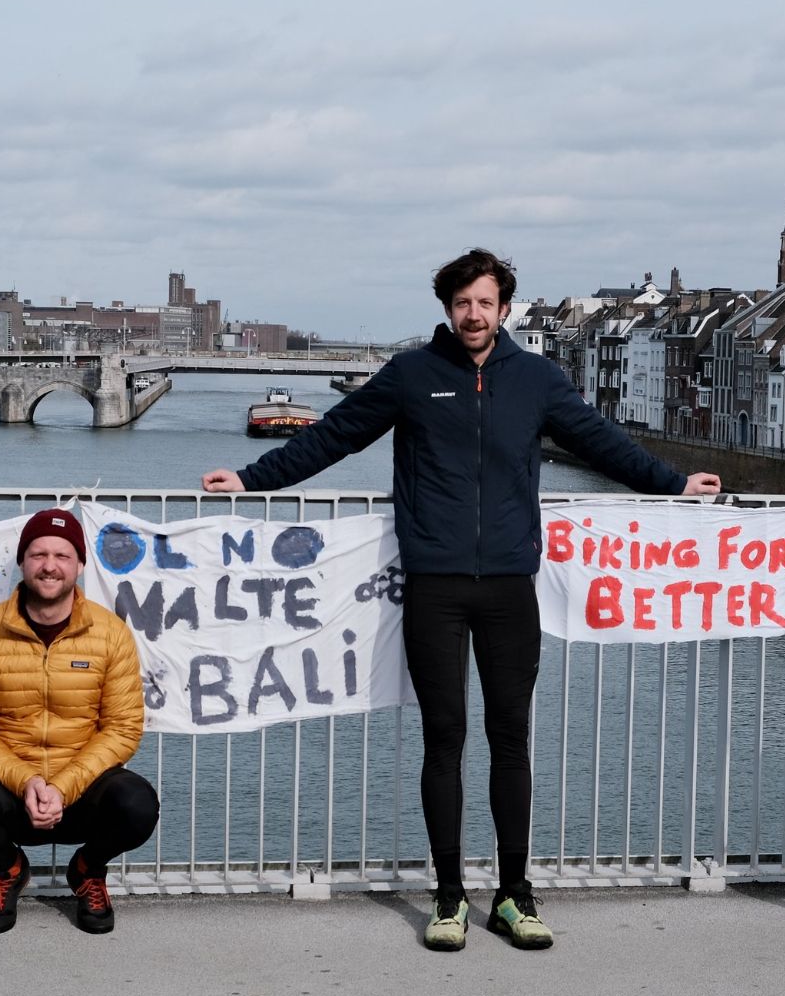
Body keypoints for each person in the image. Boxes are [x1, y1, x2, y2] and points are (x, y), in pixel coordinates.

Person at [202, 248, 719, 951]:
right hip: (435, 585)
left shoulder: (536, 379)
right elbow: (334, 436)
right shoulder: (412, 375)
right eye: (462, 303)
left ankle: (514, 895)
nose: (474, 315)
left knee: (511, 740)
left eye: (485, 303)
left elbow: (602, 444)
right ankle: (449, 897)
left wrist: (672, 483)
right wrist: (253, 479)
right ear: (447, 308)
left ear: (503, 309)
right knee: (444, 740)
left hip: (509, 586)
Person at [0, 507, 161, 935]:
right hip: (12, 788)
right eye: (38, 554)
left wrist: (62, 786)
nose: (50, 566)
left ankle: (88, 870)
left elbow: (122, 728)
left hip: (82, 788)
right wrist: (26, 781)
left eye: (62, 555)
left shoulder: (111, 633)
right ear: (22, 562)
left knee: (138, 806)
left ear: (79, 565)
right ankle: (8, 869)